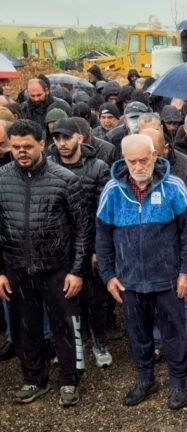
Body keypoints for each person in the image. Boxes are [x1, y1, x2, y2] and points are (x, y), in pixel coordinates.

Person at [95, 134, 187, 410]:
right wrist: (108, 276)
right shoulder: (112, 191)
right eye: (132, 161)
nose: (139, 166)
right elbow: (103, 237)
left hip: (167, 279)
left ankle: (178, 381)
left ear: (155, 156)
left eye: (144, 159)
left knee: (174, 334)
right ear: (123, 159)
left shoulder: (174, 188)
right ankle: (145, 379)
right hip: (129, 281)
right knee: (137, 334)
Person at [0, 119, 89, 406]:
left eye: (27, 146)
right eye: (16, 147)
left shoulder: (65, 179)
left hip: (57, 269)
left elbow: (82, 229)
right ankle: (34, 378)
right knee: (25, 328)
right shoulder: (1, 178)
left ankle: (69, 380)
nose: (21, 152)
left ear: (41, 143)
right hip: (16, 268)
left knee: (66, 326)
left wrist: (77, 271)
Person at [48, 118, 113, 369]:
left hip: (89, 243)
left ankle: (99, 343)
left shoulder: (98, 167)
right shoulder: (49, 165)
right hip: (58, 246)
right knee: (62, 301)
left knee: (94, 300)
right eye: (57, 138)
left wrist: (98, 248)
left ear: (80, 138)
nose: (62, 144)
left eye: (67, 138)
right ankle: (70, 347)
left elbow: (102, 210)